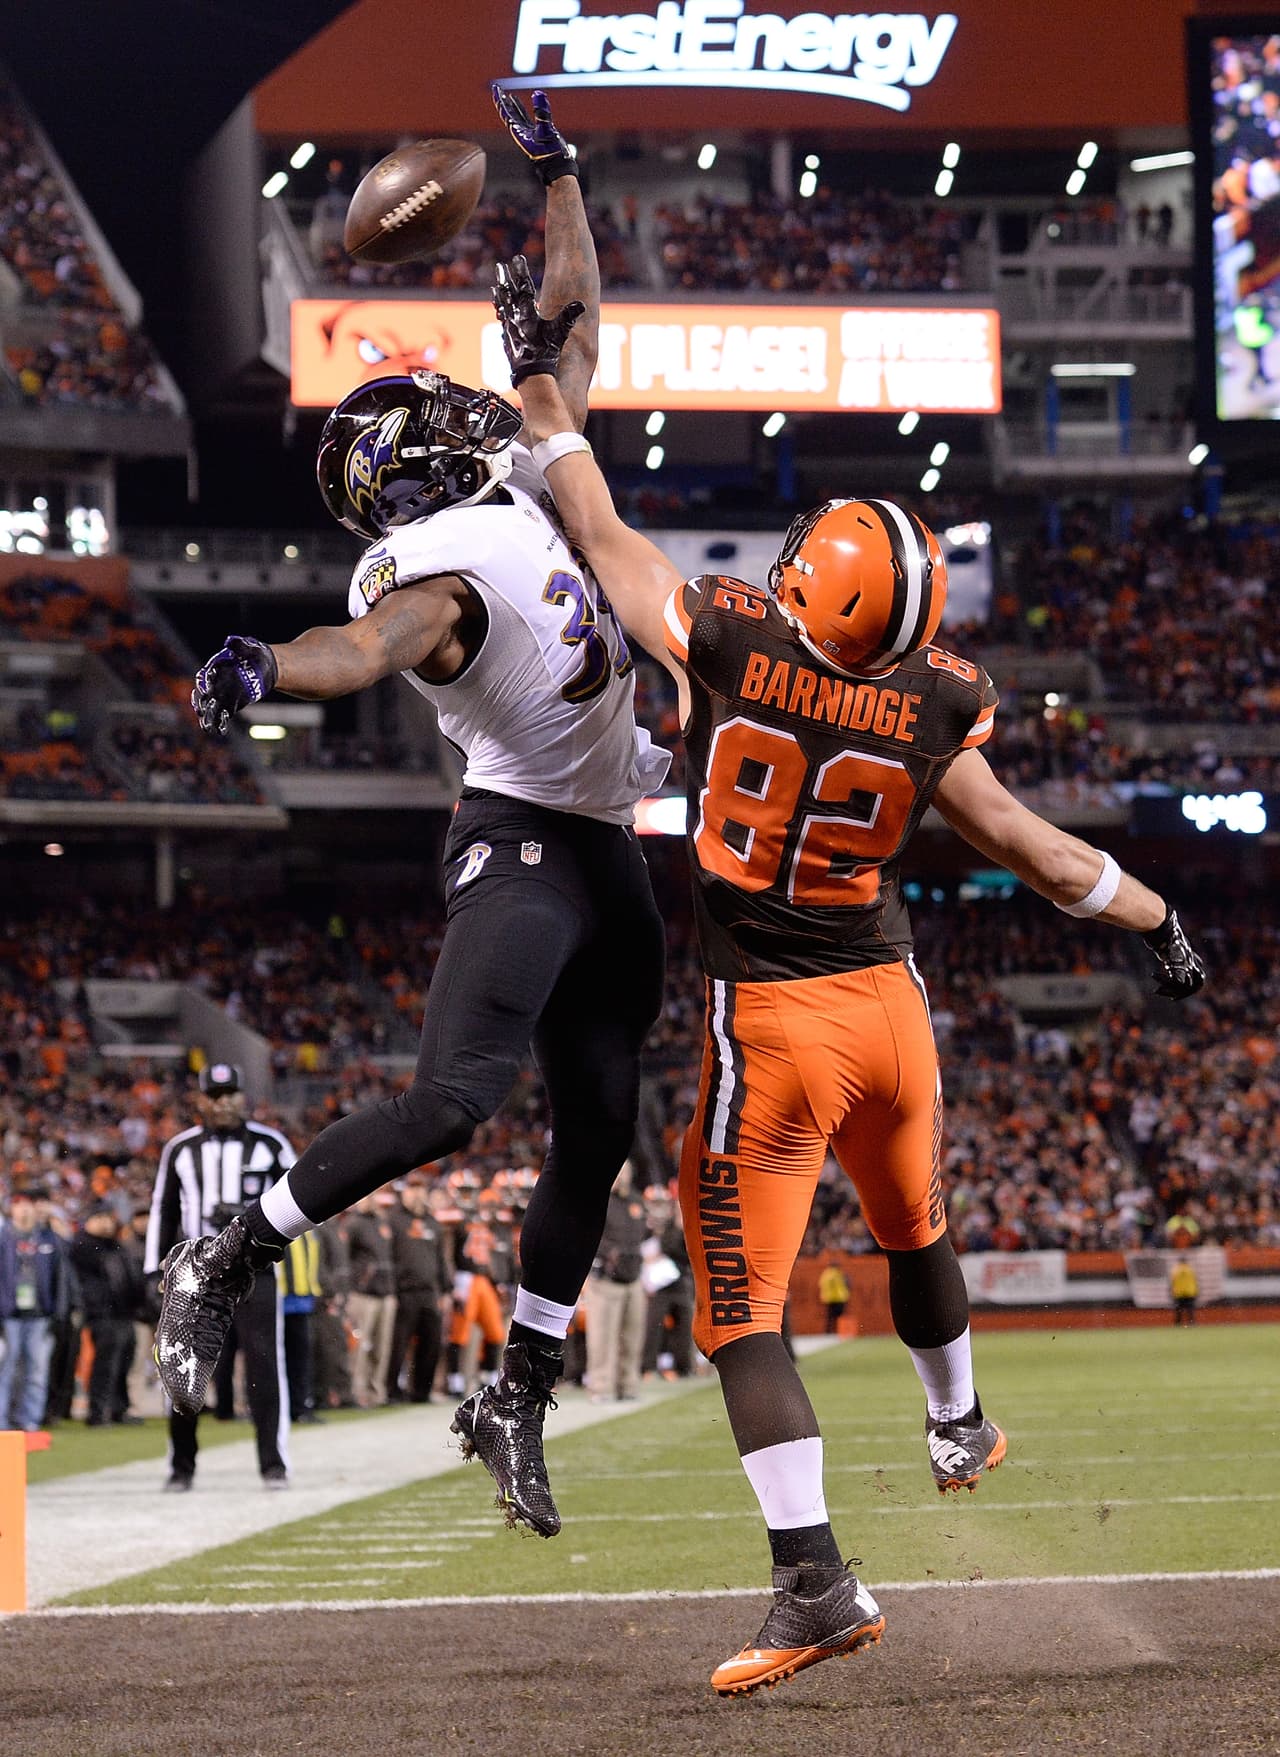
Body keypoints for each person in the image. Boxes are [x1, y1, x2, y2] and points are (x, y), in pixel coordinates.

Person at [491, 263, 1208, 1696]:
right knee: (909, 1221)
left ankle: (811, 1580)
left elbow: (595, 520)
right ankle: (958, 1420)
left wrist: (538, 386)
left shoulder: (730, 636)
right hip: (892, 1012)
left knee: (740, 1311)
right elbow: (1031, 848)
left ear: (810, 585)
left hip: (772, 1028)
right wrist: (1154, 918)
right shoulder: (935, 695)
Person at [153, 87, 667, 1541]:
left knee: (601, 1130)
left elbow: (571, 324)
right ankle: (227, 1249)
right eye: (433, 420)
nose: (461, 412)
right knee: (455, 1100)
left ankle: (518, 1394)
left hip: (608, 843)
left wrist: (557, 173)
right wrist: (269, 667)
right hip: (523, 841)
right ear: (406, 473)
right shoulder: (434, 561)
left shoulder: (520, 476)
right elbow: (363, 648)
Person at [145, 1064, 296, 1491]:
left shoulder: (271, 1144)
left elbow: (298, 1199)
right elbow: (163, 1208)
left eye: (230, 1094)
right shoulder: (180, 1148)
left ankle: (273, 1463)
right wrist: (153, 1269)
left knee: (264, 1365)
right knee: (182, 1362)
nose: (223, 1103)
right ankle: (181, 1466)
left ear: (243, 1097)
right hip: (197, 1270)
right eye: (215, 1095)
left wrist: (254, 1223)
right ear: (201, 1100)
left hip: (256, 1269)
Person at [0, 1188, 70, 1432]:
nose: (24, 1209)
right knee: (6, 1369)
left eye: (29, 1204)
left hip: (40, 1314)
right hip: (8, 1315)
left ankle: (30, 1421)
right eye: (19, 1204)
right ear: (11, 1208)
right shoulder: (3, 1238)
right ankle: (2, 1422)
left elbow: (61, 1276)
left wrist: (59, 1311)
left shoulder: (49, 1239)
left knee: (37, 1371)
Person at [69, 1205, 145, 1426]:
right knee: (106, 1364)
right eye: (99, 1218)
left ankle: (119, 1408)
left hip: (123, 1312)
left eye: (107, 1218)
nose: (105, 1223)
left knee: (124, 1363)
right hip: (102, 1312)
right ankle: (98, 1411)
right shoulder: (82, 1246)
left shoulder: (115, 1245)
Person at [583, 1163, 649, 1403]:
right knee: (602, 1337)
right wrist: (609, 1253)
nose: (621, 1175)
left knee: (633, 1337)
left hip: (634, 1277)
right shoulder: (597, 1199)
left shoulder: (636, 1201)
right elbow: (587, 1234)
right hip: (605, 1280)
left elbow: (645, 1235)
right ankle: (601, 1387)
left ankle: (628, 1385)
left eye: (625, 1171)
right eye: (618, 1170)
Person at [387, 1174, 445, 1403]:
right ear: (404, 1192)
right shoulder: (394, 1220)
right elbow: (388, 1256)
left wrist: (445, 1289)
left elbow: (440, 1259)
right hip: (404, 1291)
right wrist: (392, 1289)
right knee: (398, 1344)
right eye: (412, 1188)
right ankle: (392, 1391)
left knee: (431, 1342)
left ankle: (422, 1392)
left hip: (429, 1292)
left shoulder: (433, 1222)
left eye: (421, 1188)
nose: (417, 1193)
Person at [347, 1192, 398, 1407]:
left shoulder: (382, 1223)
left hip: (386, 1292)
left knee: (382, 1347)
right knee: (360, 1347)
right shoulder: (353, 1224)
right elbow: (346, 1258)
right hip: (363, 1294)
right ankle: (357, 1392)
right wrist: (356, 1283)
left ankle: (377, 1392)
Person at [817, 1258, 851, 1334]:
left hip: (828, 1298)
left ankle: (828, 1331)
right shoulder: (838, 1274)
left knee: (829, 1316)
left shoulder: (825, 1274)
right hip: (839, 1297)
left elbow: (821, 1285)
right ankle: (839, 1331)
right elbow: (846, 1284)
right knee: (839, 1316)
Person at [1170, 1255, 1198, 1325]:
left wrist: (1172, 1291)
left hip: (1178, 1292)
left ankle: (1178, 1323)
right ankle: (1191, 1322)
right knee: (1190, 1309)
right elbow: (1195, 1281)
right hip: (1190, 1292)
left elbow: (1172, 1282)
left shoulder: (1175, 1270)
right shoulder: (1190, 1270)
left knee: (1178, 1310)